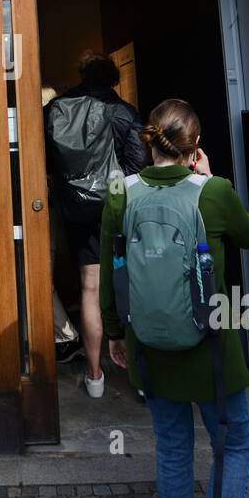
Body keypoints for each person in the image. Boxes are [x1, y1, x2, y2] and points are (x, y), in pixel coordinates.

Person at [99, 98, 249, 498]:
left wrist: (119, 337)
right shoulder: (211, 192)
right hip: (213, 351)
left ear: (147, 141)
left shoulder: (120, 194)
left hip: (152, 346)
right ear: (195, 147)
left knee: (171, 450)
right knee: (234, 446)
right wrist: (213, 180)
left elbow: (110, 270)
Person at [47, 52, 147, 396]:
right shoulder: (123, 112)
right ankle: (141, 377)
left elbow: (46, 162)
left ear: (83, 75)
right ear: (113, 79)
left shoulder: (57, 110)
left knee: (90, 288)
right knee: (131, 288)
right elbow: (138, 162)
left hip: (78, 212)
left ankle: (94, 377)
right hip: (119, 209)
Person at [41, 83, 80, 360]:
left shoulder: (44, 132)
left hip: (47, 209)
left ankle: (67, 336)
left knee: (42, 276)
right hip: (68, 208)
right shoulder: (70, 128)